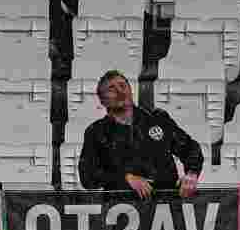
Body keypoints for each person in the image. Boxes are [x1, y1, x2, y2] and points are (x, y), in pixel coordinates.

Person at [76, 70, 204, 200]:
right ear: (103, 101)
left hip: (165, 208)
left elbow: (190, 149)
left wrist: (191, 174)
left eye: (122, 86)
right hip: (121, 210)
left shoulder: (157, 119)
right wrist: (125, 178)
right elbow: (87, 176)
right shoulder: (96, 131)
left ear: (130, 91)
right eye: (111, 89)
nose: (119, 91)